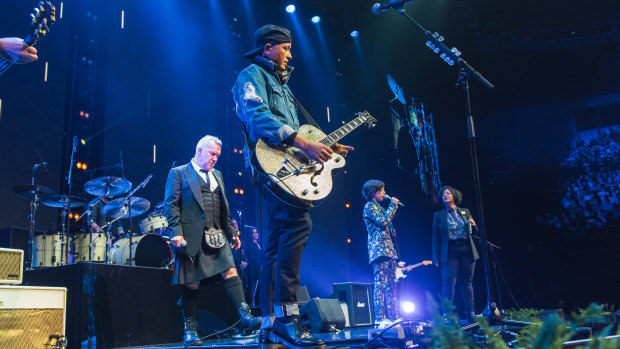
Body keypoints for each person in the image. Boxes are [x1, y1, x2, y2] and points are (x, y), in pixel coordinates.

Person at [232, 24, 353, 347]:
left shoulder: (282, 86)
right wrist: (302, 141)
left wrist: (324, 147)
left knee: (275, 240)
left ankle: (271, 322)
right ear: (267, 48)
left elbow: (297, 136)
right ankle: (288, 317)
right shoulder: (251, 76)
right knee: (299, 224)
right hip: (269, 167)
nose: (290, 54)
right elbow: (256, 116)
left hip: (284, 166)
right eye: (285, 48)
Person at [164, 135, 260, 346]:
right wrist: (176, 232)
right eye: (212, 154)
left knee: (231, 270)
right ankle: (190, 330)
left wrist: (232, 232)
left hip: (216, 234)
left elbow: (223, 207)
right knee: (192, 283)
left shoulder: (217, 174)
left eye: (218, 155)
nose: (215, 158)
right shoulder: (179, 173)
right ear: (199, 150)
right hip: (191, 236)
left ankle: (244, 317)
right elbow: (170, 205)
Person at [432, 186, 479, 322]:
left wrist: (474, 225)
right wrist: (435, 256)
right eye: (443, 194)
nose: (445, 195)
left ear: (454, 196)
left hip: (466, 250)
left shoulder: (465, 211)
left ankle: (471, 312)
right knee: (448, 283)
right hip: (450, 251)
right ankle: (447, 314)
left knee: (467, 282)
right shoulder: (438, 215)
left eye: (448, 193)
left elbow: (474, 232)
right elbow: (436, 237)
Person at [361, 179, 403, 328]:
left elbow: (386, 226)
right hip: (379, 251)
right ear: (374, 192)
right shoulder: (369, 206)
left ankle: (394, 317)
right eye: (382, 190)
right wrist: (393, 205)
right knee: (381, 285)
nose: (385, 193)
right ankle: (380, 318)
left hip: (389, 251)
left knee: (392, 285)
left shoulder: (378, 207)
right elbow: (384, 221)